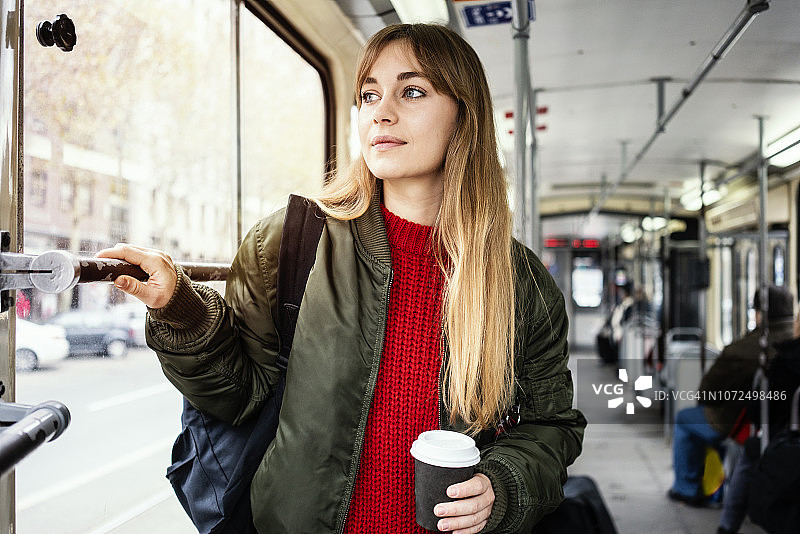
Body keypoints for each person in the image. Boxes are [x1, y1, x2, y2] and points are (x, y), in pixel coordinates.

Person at [98, 23, 586, 534]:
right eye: (368, 94)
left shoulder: (521, 284)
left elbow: (550, 427)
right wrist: (181, 307)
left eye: (412, 91)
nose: (381, 111)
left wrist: (502, 485)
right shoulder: (289, 243)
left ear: (465, 115)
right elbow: (236, 394)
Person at [667, 285, 795, 507]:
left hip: (740, 422)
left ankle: (687, 487)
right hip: (787, 423)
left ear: (759, 314)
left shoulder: (742, 350)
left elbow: (707, 392)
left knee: (685, 418)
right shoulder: (794, 345)